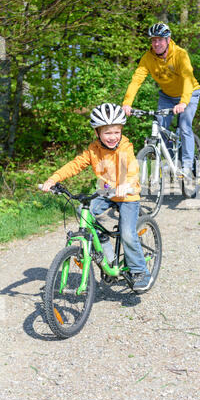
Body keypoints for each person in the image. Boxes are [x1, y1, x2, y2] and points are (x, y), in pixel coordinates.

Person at [41, 102, 152, 292]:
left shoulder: (125, 147)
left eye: (117, 132)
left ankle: (140, 271)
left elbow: (132, 169)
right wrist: (53, 179)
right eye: (107, 133)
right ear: (97, 133)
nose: (113, 137)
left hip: (127, 195)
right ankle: (103, 244)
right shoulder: (93, 150)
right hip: (107, 193)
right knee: (83, 211)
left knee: (127, 233)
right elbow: (75, 165)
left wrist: (126, 185)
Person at [122, 22, 200, 178]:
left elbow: (187, 78)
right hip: (167, 96)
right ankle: (172, 160)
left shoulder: (180, 54)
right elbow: (137, 79)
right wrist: (127, 103)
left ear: (168, 39)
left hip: (189, 93)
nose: (156, 43)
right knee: (160, 130)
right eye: (153, 40)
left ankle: (186, 166)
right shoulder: (147, 58)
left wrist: (184, 102)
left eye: (160, 39)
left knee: (185, 126)